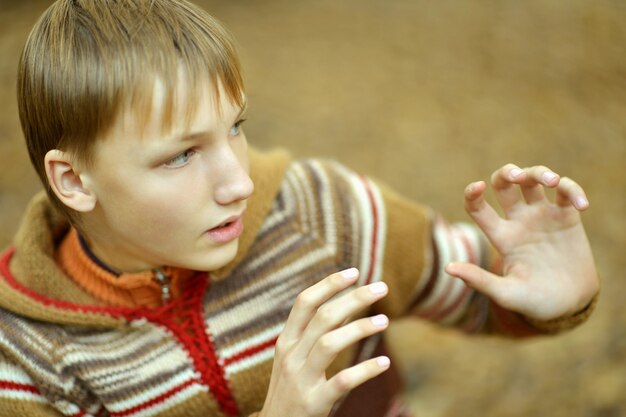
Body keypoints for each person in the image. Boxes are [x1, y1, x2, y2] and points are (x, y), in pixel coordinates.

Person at [0, 1, 599, 416]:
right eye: (181, 156)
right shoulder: (29, 356)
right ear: (74, 180)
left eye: (234, 128)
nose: (238, 180)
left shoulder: (325, 213)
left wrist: (548, 292)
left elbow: (480, 293)